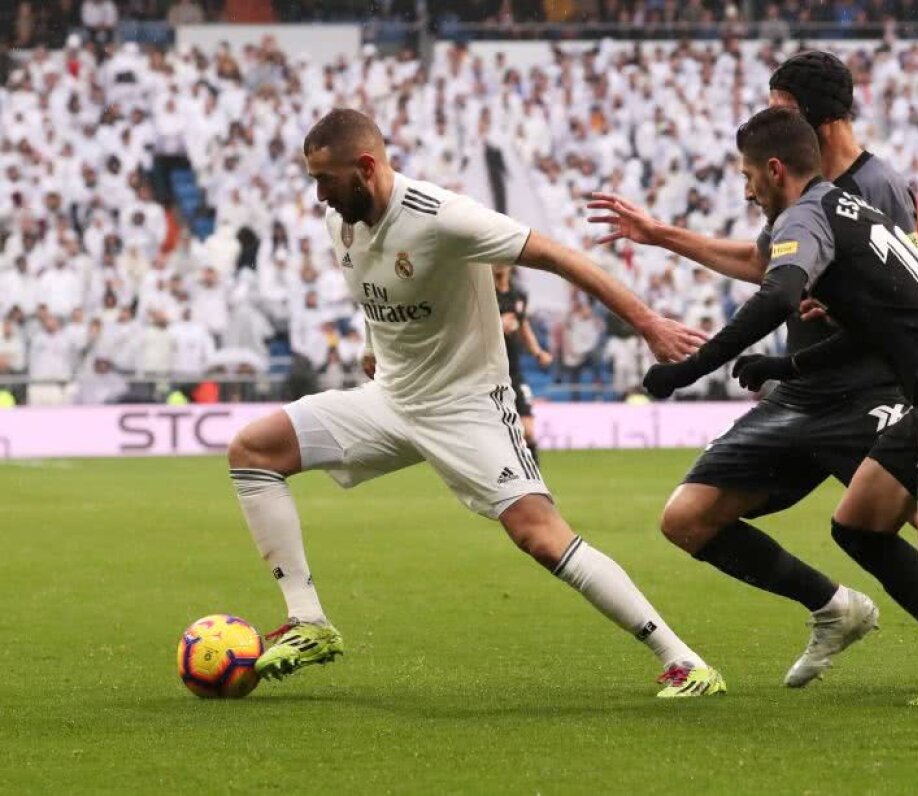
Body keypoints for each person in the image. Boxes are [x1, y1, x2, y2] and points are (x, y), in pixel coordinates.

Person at [589, 51, 918, 698]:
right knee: (689, 519)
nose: (772, 119)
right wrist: (661, 235)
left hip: (871, 389)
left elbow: (906, 292)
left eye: (782, 108)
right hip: (799, 390)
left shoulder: (876, 186)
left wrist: (830, 313)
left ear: (816, 114)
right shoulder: (798, 190)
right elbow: (765, 264)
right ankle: (839, 609)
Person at [226, 108, 725, 698]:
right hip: (391, 400)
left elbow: (557, 256)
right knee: (253, 451)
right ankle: (309, 622)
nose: (319, 195)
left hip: (467, 406)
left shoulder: (442, 216)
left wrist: (648, 324)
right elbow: (376, 290)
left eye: (325, 180)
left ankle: (685, 661)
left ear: (365, 167)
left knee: (540, 536)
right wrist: (371, 347)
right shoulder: (344, 221)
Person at [493, 263, 552, 464]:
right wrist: (498, 325)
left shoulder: (519, 294)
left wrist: (538, 352)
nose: (497, 263)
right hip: (488, 372)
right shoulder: (483, 294)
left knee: (528, 431)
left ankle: (534, 477)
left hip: (513, 371)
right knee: (496, 434)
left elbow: (524, 325)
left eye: (502, 259)